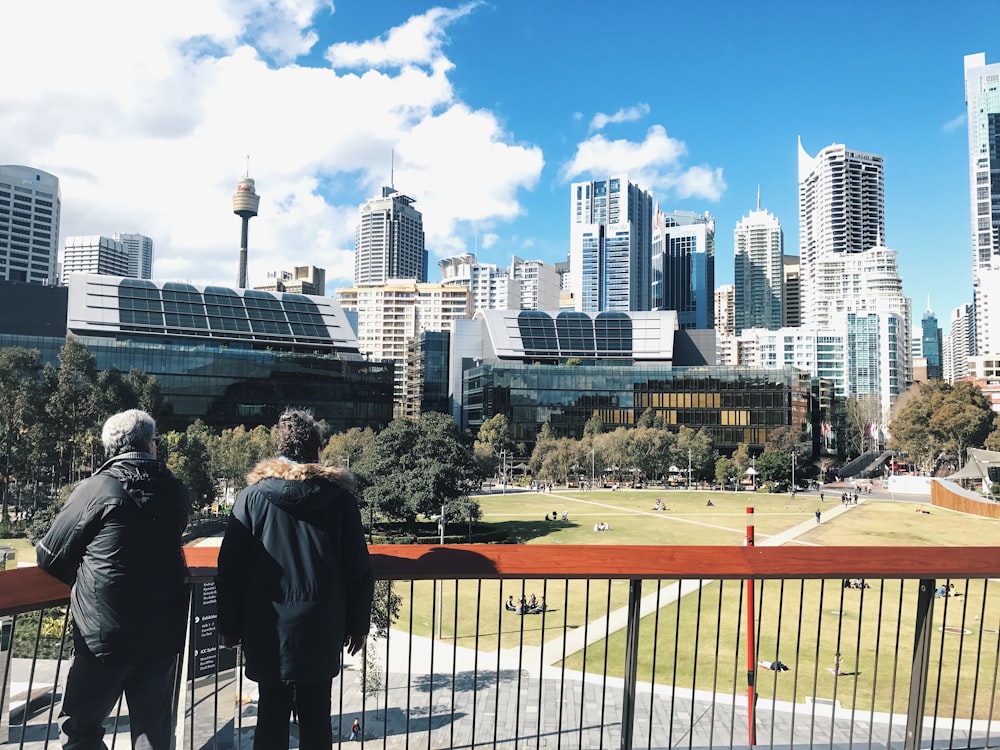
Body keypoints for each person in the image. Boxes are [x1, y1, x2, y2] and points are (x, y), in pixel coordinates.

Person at [217, 409, 375, 750]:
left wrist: (229, 627)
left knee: (269, 718)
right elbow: (358, 569)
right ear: (317, 449)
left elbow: (230, 568)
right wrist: (358, 624)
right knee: (317, 720)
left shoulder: (252, 499)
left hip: (266, 625)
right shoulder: (341, 500)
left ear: (279, 448)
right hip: (322, 624)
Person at [36, 409, 190, 750]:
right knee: (153, 734)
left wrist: (83, 578)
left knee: (80, 729)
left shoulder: (96, 489)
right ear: (151, 445)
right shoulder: (176, 490)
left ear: (110, 448)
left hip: (105, 635)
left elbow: (49, 554)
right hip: (163, 631)